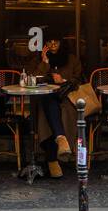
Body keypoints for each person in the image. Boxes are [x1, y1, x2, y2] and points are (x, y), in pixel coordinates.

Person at [22, 29, 82, 178]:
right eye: (49, 42)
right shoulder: (38, 59)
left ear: (62, 43)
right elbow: (31, 79)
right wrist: (44, 63)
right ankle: (59, 143)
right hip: (44, 98)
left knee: (60, 112)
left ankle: (53, 158)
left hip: (66, 98)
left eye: (56, 41)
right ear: (45, 44)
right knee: (46, 109)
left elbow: (79, 79)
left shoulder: (71, 59)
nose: (53, 44)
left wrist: (63, 81)